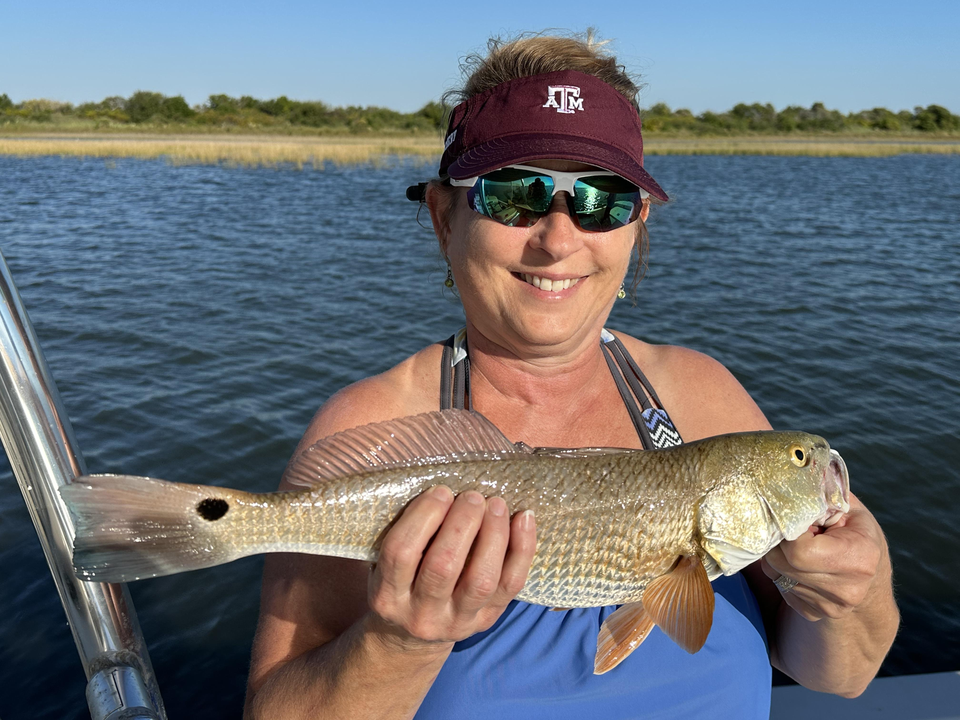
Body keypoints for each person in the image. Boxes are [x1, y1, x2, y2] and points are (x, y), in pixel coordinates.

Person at [243, 32, 899, 719]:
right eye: (512, 193)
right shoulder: (373, 431)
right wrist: (398, 642)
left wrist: (852, 589)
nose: (558, 240)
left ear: (636, 224)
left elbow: (842, 676)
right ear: (443, 217)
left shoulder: (702, 396)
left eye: (603, 199)